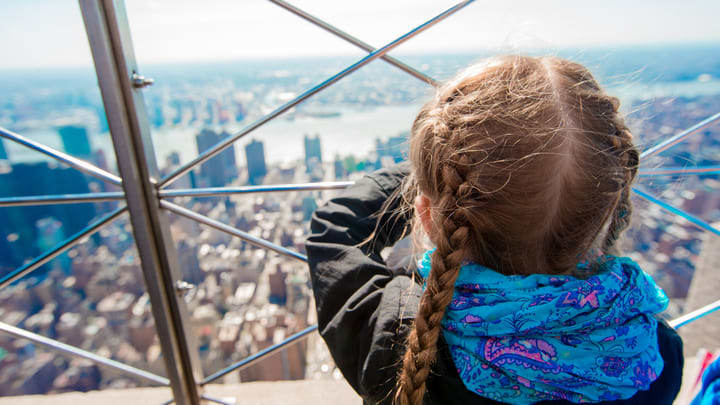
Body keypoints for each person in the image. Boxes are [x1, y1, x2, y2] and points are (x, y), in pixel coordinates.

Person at [305, 55, 684, 405]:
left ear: (426, 214)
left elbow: (335, 230)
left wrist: (455, 178)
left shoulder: (397, 339)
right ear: (607, 208)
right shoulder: (654, 353)